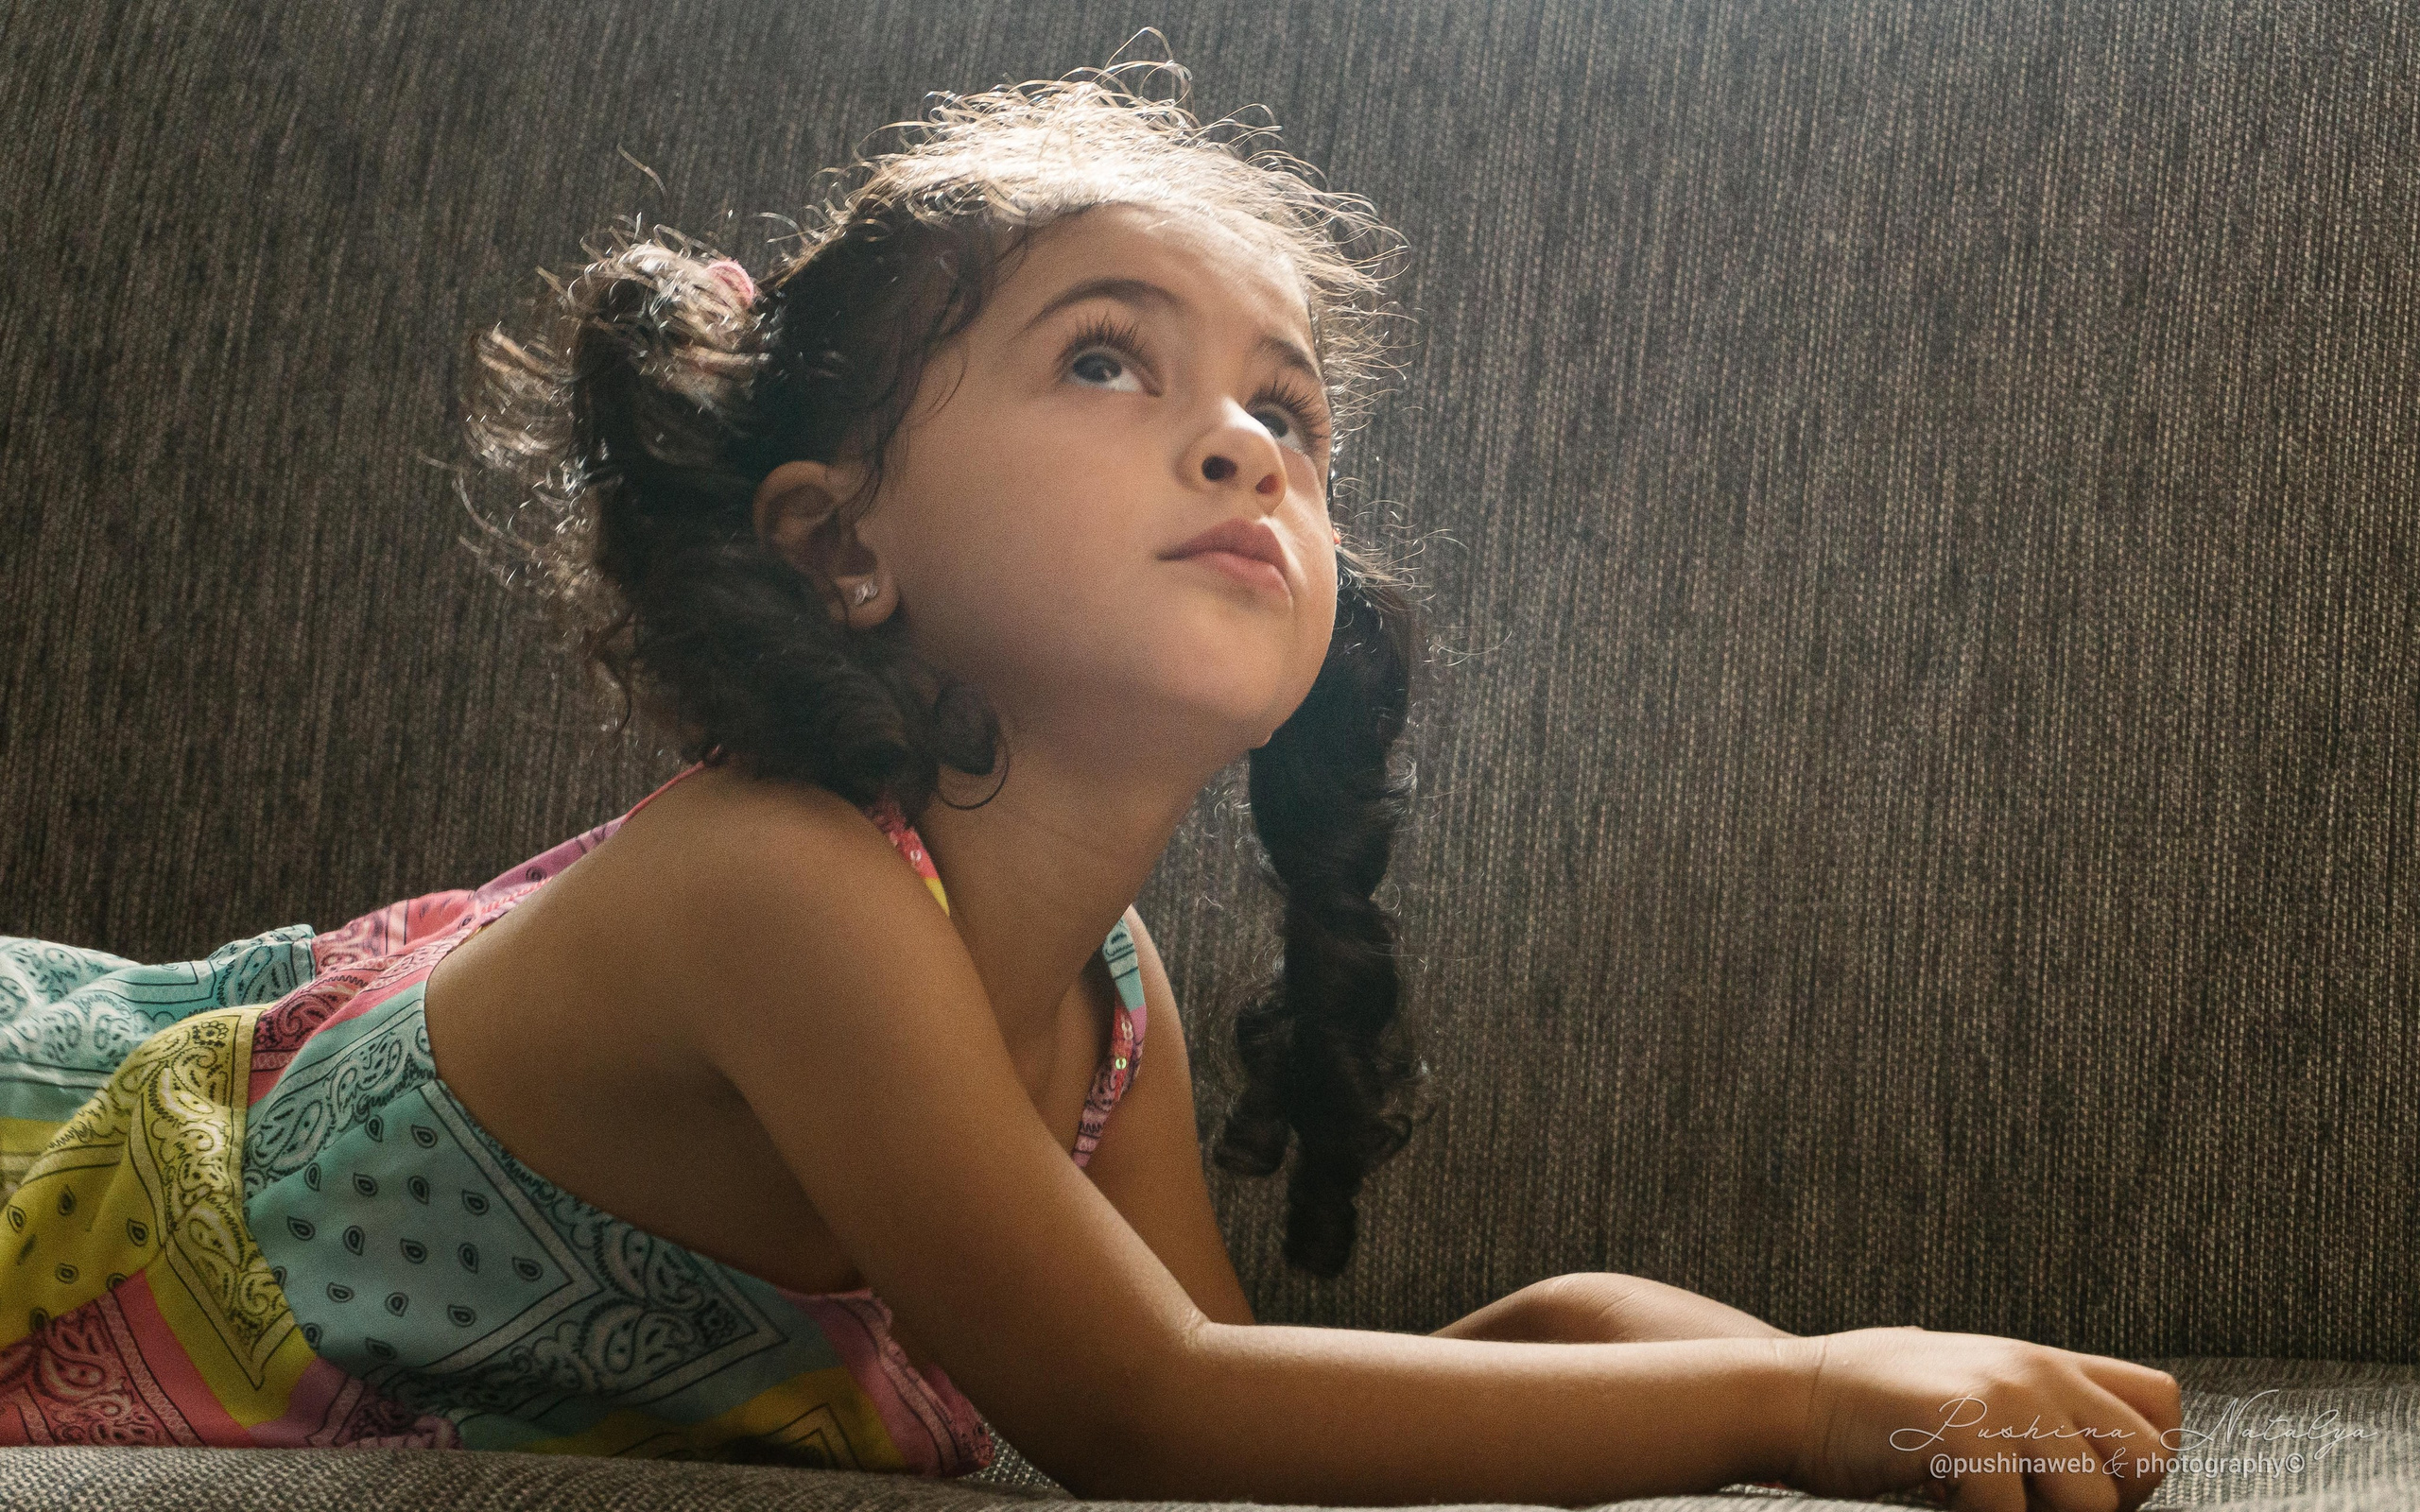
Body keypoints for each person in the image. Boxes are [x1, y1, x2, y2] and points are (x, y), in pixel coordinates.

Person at [0, 48, 2176, 1510]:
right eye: (1105, 357)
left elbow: (1211, 1411)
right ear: (840, 540)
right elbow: (1136, 1414)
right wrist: (1787, 1393)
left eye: (1288, 414)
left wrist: (1709, 1365)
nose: (1243, 443)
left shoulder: (1088, 978)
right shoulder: (774, 881)